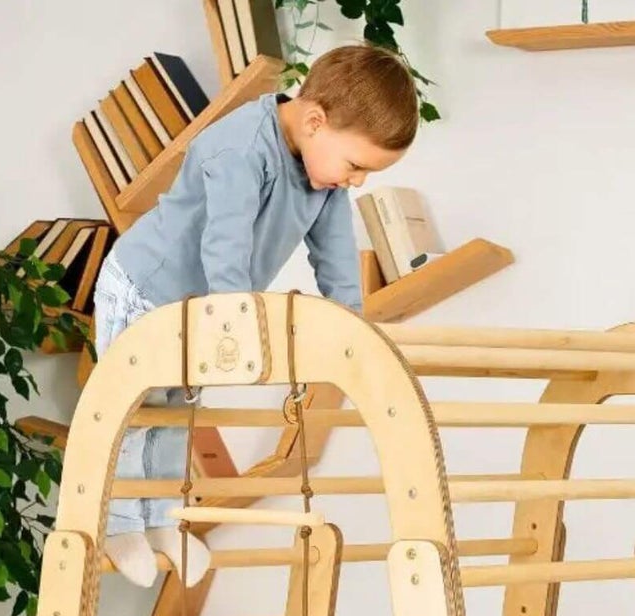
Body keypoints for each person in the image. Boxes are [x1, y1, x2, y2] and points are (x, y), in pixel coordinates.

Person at [95, 44, 417, 585]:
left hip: (200, 309)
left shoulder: (322, 178)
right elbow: (226, 241)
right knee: (135, 412)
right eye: (357, 165)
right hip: (147, 290)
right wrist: (234, 320)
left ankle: (161, 521)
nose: (357, 180)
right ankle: (121, 521)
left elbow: (337, 261)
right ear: (314, 122)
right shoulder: (241, 146)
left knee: (176, 417)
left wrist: (354, 336)